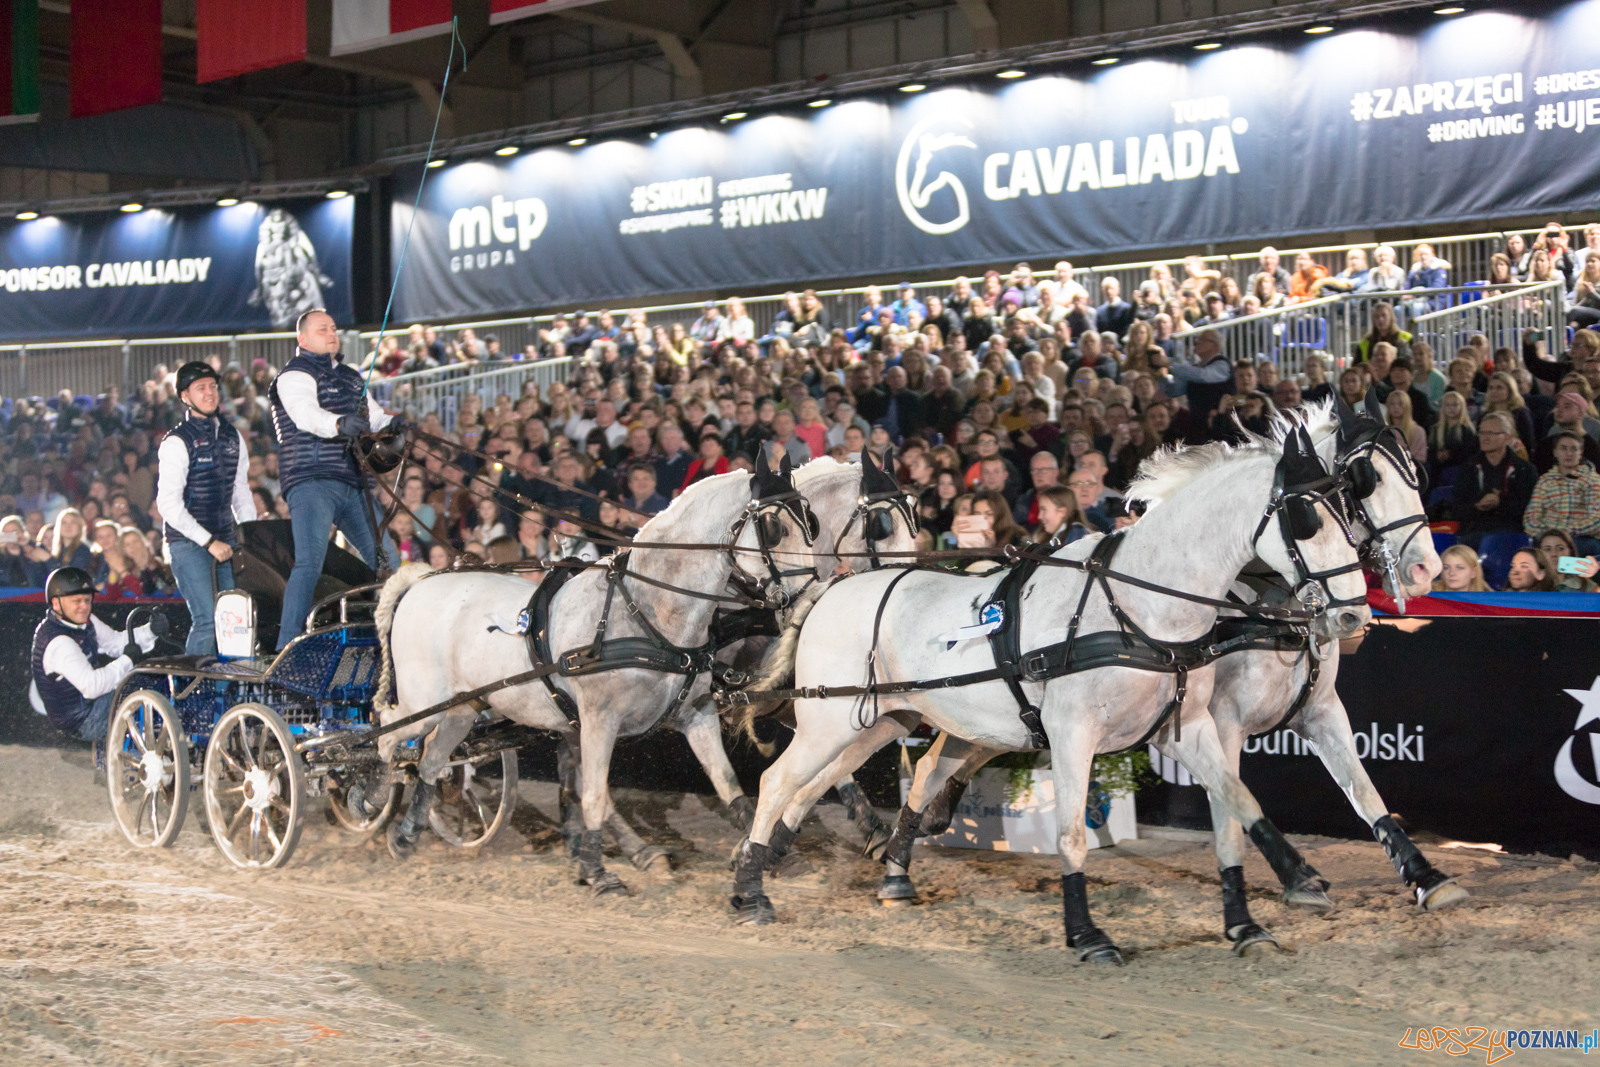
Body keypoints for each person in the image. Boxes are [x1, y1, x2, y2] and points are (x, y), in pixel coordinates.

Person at [268, 309, 399, 650]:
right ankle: (287, 645)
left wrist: (394, 425)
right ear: (302, 339)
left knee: (388, 560)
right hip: (312, 481)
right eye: (321, 328)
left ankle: (396, 638)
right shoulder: (293, 375)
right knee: (310, 561)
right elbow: (304, 414)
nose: (331, 332)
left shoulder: (351, 376)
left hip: (353, 483)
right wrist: (339, 423)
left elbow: (374, 415)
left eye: (333, 327)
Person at [156, 362, 256, 657]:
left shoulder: (232, 436)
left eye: (213, 385)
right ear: (185, 396)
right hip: (188, 543)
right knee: (208, 621)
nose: (210, 392)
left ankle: (234, 689)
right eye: (201, 387)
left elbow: (240, 491)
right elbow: (168, 505)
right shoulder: (176, 441)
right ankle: (191, 694)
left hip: (226, 539)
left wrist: (250, 535)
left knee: (236, 623)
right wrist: (209, 542)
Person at [30, 567, 161, 744]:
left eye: (87, 600)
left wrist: (151, 630)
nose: (84, 607)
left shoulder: (84, 621)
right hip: (84, 721)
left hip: (90, 707)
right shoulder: (59, 642)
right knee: (147, 691)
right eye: (76, 601)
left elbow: (115, 642)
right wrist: (127, 660)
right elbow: (92, 687)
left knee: (150, 683)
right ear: (56, 604)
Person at [1452, 411, 1536, 549]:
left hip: (1510, 531)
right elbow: (1457, 509)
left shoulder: (1524, 470)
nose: (1484, 438)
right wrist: (1478, 505)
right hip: (1473, 530)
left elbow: (1528, 509)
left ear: (1507, 437)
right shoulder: (1468, 468)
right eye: (1482, 433)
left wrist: (1499, 503)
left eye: (1490, 433)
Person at [1524, 432, 1600, 554]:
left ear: (1581, 453)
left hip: (1579, 538)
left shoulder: (1592, 480)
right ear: (1555, 452)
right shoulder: (1545, 481)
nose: (1568, 454)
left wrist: (1566, 531)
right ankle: (1550, 571)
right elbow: (1531, 517)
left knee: (1576, 547)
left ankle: (1568, 572)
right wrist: (1548, 533)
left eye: (1574, 449)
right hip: (1546, 536)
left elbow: (1596, 520)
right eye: (1563, 448)